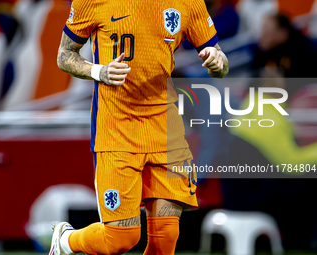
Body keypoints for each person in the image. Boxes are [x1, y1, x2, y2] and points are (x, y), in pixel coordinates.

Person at [50, 0, 228, 254]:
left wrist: (217, 61)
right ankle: (66, 240)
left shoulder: (188, 2)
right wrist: (99, 71)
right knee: (120, 239)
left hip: (165, 130)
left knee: (166, 237)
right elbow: (64, 56)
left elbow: (219, 58)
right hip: (116, 129)